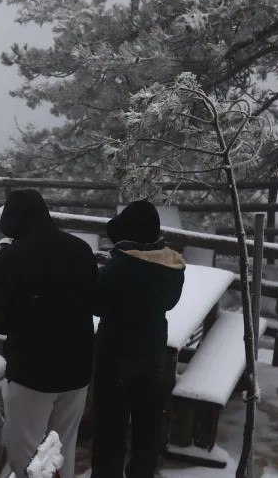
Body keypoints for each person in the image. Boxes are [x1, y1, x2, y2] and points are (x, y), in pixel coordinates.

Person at [0, 189, 99, 478]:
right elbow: (94, 302)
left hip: (32, 372)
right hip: (77, 369)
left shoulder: (11, 257)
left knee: (27, 457)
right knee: (62, 448)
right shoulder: (80, 249)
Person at [91, 200, 186, 478]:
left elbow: (98, 304)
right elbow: (166, 303)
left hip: (116, 353)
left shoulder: (120, 268)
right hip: (153, 351)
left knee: (110, 426)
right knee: (148, 425)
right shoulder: (171, 268)